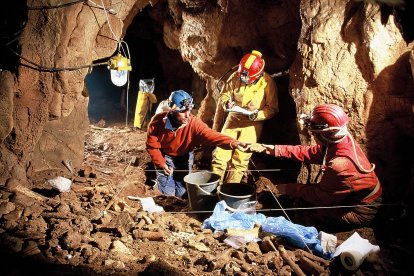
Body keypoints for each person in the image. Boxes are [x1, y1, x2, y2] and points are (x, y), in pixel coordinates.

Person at [252, 104, 382, 230]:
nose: (313, 136)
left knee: (304, 214)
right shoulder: (340, 141)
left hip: (360, 209)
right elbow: (308, 153)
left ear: (326, 134)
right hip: (348, 197)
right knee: (301, 200)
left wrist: (288, 188)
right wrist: (272, 149)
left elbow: (320, 196)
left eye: (315, 133)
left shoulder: (341, 164)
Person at [146, 90, 250, 197]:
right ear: (172, 111)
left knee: (182, 193)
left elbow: (211, 135)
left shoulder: (194, 123)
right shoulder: (157, 122)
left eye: (189, 110)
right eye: (183, 111)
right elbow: (152, 146)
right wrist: (161, 164)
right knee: (167, 195)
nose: (187, 115)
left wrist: (233, 143)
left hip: (184, 156)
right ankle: (159, 186)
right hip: (165, 157)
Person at [211, 50, 278, 184]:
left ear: (257, 74)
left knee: (240, 160)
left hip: (252, 124)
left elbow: (272, 109)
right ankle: (212, 191)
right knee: (220, 155)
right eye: (241, 76)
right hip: (233, 118)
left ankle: (228, 191)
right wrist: (226, 102)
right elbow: (224, 95)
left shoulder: (267, 83)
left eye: (246, 77)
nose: (243, 79)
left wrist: (256, 115)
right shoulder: (236, 76)